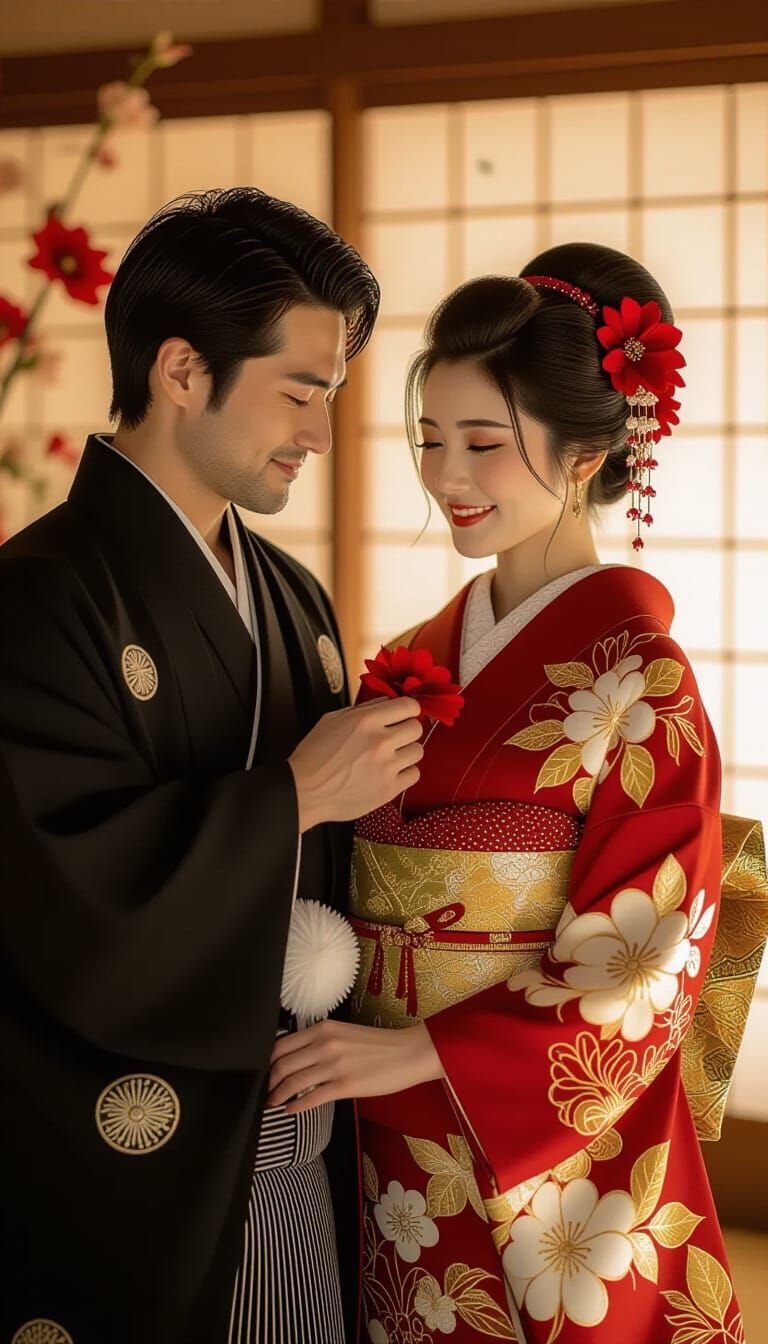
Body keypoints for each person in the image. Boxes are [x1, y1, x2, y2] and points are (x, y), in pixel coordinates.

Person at [268, 243, 752, 1342]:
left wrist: (426, 1050)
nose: (447, 476)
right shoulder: (414, 658)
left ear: (586, 454)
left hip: (545, 1150)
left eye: (484, 443)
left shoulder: (643, 680)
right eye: (431, 439)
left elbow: (651, 955)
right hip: (386, 1110)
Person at [0, 187, 425, 1344]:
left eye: (332, 397)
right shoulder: (38, 601)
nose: (320, 435)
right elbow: (62, 895)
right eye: (300, 391)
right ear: (183, 370)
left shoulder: (292, 598)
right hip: (128, 1147)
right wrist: (296, 797)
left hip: (297, 1126)